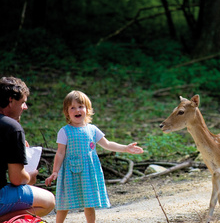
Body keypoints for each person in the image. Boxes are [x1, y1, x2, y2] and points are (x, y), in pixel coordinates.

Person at [45, 90, 143, 223]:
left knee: (88, 201)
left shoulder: (92, 129)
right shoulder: (64, 131)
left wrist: (126, 148)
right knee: (65, 201)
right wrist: (55, 171)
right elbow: (60, 152)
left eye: (80, 106)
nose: (77, 110)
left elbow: (107, 144)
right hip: (69, 171)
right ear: (67, 112)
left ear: (87, 109)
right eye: (72, 108)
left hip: (88, 171)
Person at [0, 76, 55, 222]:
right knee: (48, 201)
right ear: (11, 100)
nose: (25, 107)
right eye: (23, 102)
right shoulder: (12, 128)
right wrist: (30, 177)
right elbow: (17, 179)